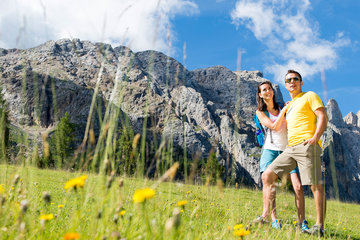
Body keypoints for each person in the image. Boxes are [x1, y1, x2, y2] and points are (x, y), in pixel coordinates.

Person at [262, 70, 328, 236]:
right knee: (267, 175)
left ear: (301, 82)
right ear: (285, 85)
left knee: (314, 184)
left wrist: (315, 138)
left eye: (295, 79)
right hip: (290, 149)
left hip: (307, 145)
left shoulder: (310, 96)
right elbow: (275, 125)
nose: (292, 81)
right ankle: (266, 216)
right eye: (289, 80)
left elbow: (322, 116)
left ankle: (319, 227)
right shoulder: (289, 105)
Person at [254, 81, 308, 231]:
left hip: (287, 150)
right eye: (264, 90)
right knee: (268, 181)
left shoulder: (283, 106)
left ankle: (302, 222)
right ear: (260, 94)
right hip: (269, 150)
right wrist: (284, 109)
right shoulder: (260, 112)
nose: (267, 91)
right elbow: (273, 126)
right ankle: (274, 219)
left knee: (297, 186)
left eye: (269, 89)